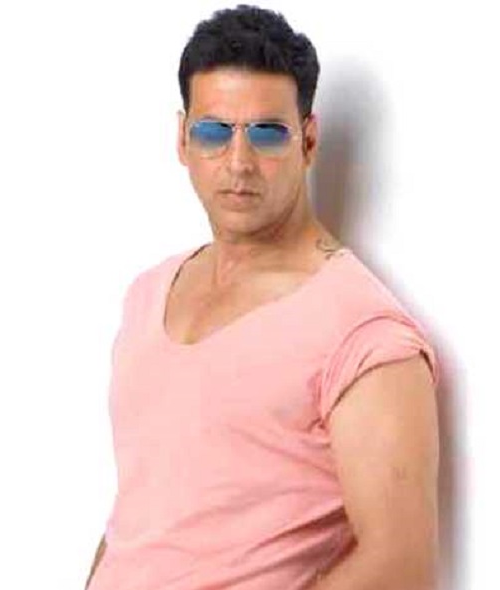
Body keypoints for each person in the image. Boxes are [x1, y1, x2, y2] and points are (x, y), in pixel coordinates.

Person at [85, 4, 440, 590]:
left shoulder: (363, 332)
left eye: (267, 134)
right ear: (182, 139)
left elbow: (401, 566)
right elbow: (140, 515)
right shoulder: (147, 295)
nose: (239, 163)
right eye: (214, 132)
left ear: (308, 140)